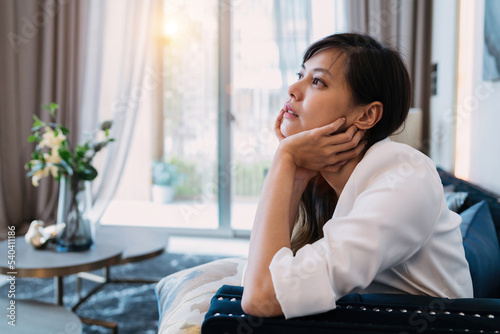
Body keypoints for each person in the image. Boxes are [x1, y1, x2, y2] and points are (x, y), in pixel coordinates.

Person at [241, 33, 473, 319]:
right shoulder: (331, 184)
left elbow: (262, 297)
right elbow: (262, 277)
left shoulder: (405, 179)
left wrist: (284, 158)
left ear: (366, 116)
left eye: (317, 81)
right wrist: (297, 174)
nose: (292, 88)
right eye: (300, 75)